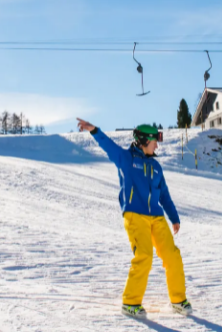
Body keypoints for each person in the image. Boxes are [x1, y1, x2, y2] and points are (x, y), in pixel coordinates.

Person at [76, 118, 192, 318]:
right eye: (154, 140)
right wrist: (94, 130)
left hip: (156, 217)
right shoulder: (126, 159)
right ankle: (130, 302)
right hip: (135, 215)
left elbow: (163, 194)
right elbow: (108, 146)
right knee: (144, 255)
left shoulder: (156, 167)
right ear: (144, 141)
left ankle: (178, 300)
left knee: (172, 255)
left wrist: (173, 217)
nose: (157, 145)